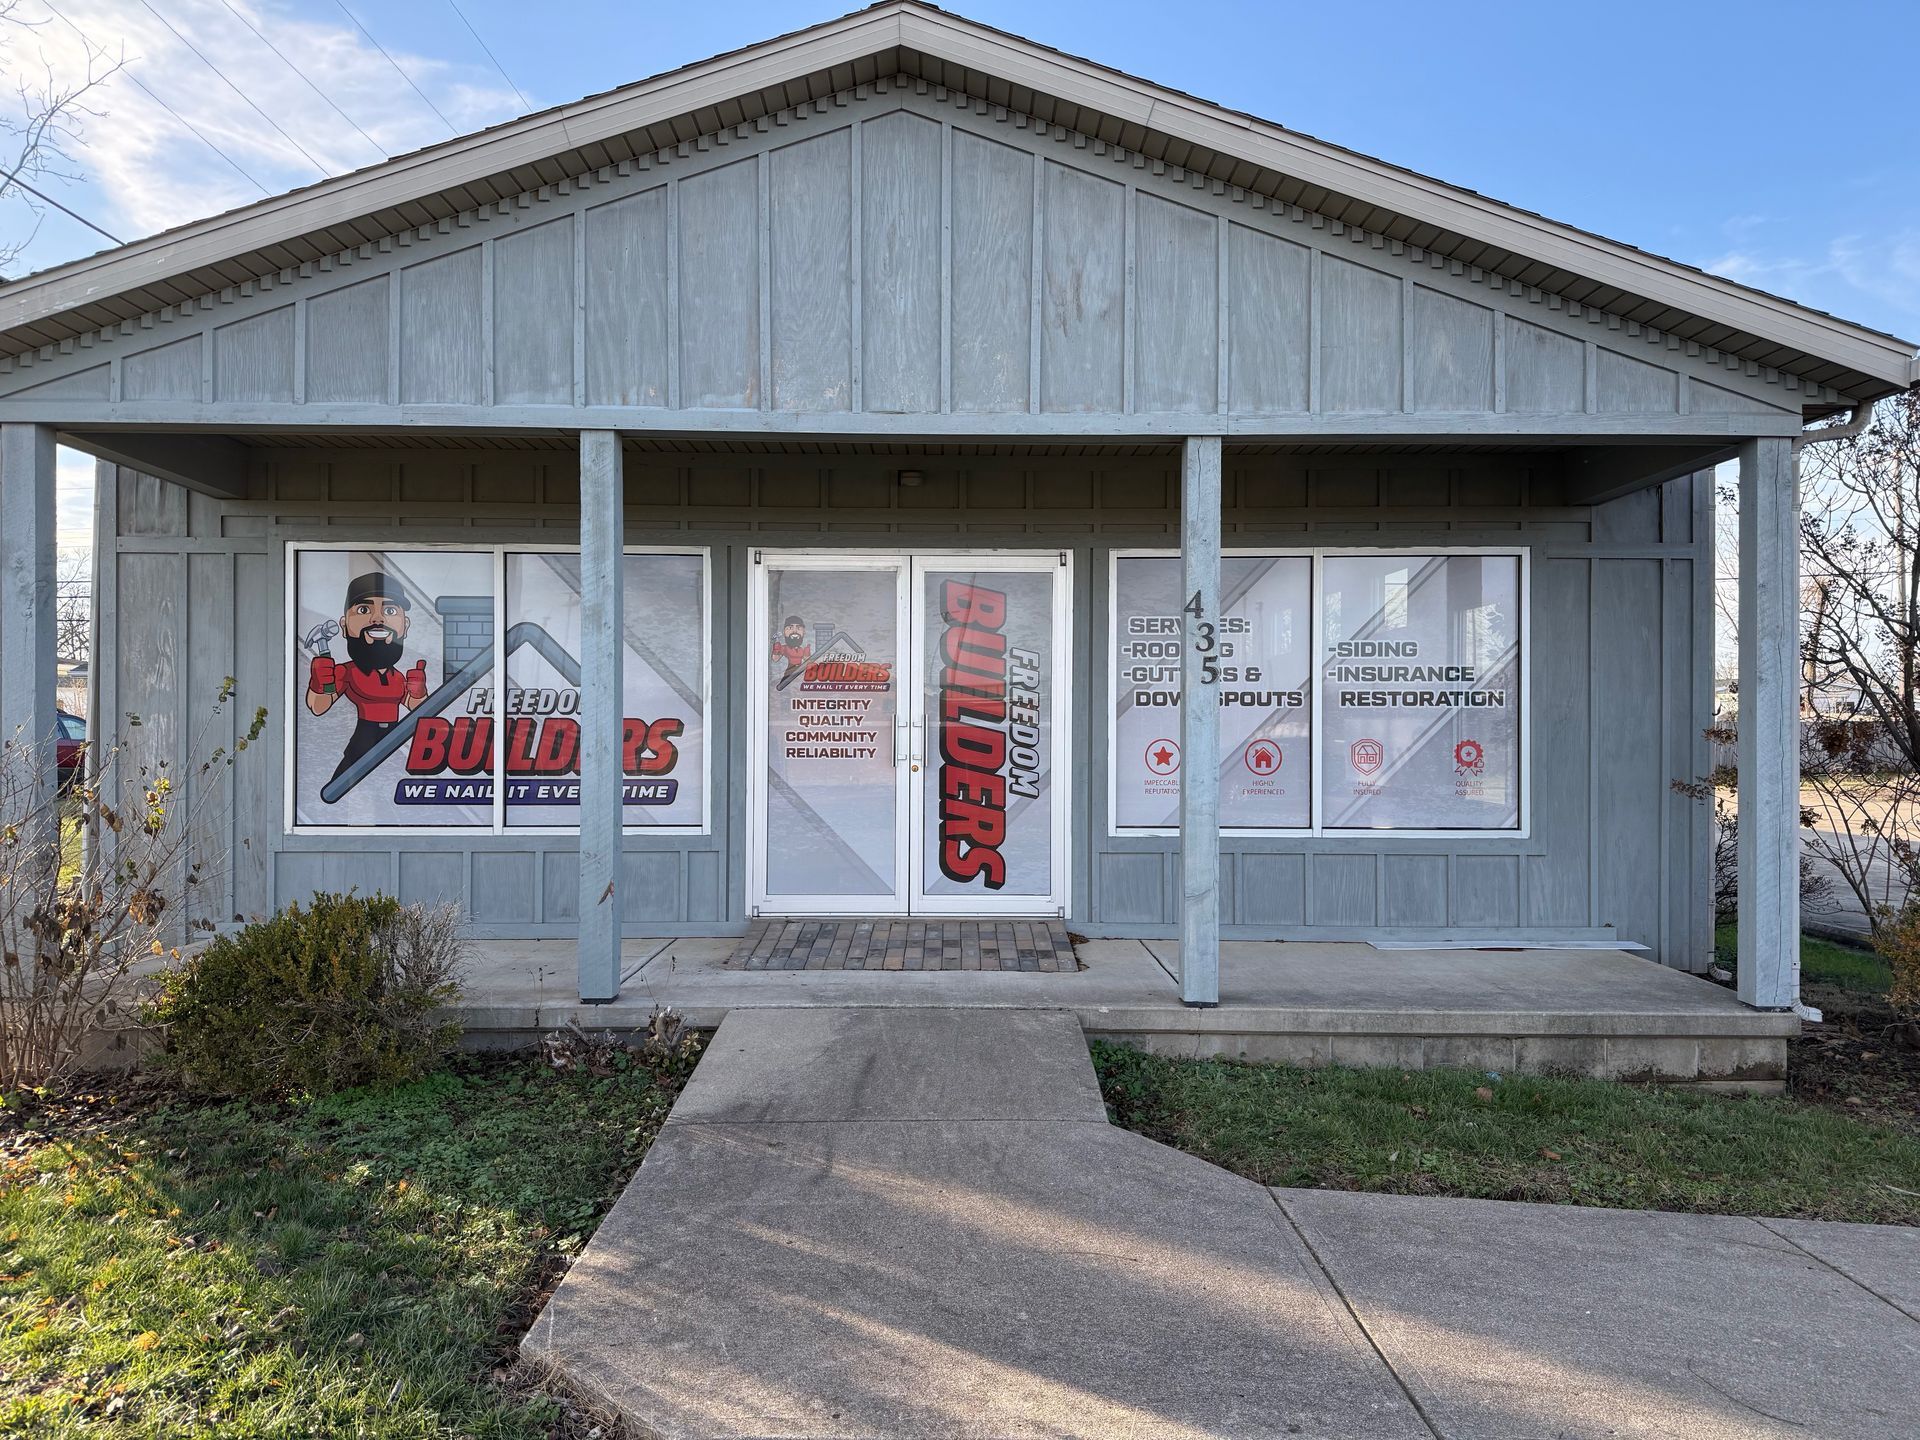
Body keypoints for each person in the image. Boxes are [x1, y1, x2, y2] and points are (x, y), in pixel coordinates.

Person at [306, 571, 429, 783]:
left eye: (390, 610)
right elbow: (319, 707)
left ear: (405, 626)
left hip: (395, 739)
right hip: (364, 739)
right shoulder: (347, 672)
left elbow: (420, 710)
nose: (378, 618)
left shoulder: (398, 677)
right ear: (344, 625)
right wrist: (319, 684)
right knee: (347, 783)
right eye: (364, 609)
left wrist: (419, 693)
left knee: (392, 785)